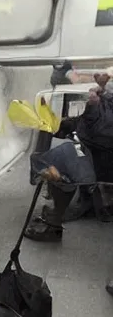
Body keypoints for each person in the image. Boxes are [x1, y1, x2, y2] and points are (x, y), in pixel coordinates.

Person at [26, 75, 113, 245]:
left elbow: (105, 133)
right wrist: (61, 126)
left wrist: (92, 108)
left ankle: (53, 225)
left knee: (64, 157)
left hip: (106, 156)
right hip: (101, 150)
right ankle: (74, 197)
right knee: (62, 145)